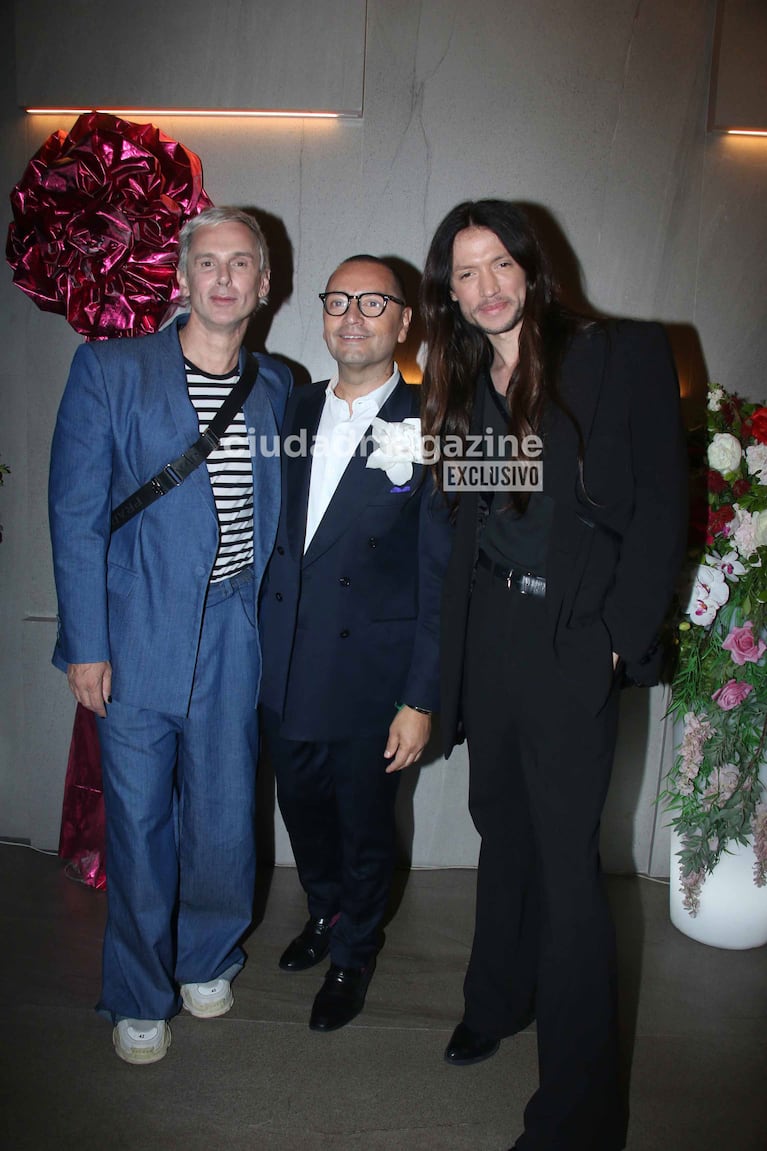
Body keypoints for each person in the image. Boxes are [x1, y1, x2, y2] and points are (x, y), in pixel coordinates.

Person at [419, 200, 687, 1150]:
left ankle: (576, 1118)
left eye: (498, 264)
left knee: (569, 872)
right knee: (502, 829)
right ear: (446, 292)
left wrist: (616, 637)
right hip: (491, 633)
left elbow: (663, 502)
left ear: (532, 267)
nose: (484, 286)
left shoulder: (620, 354)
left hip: (573, 639)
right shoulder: (454, 378)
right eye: (463, 273)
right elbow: (459, 531)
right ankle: (496, 998)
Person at [48, 206, 292, 1064]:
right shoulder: (110, 370)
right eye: (209, 262)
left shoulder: (276, 389)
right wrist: (86, 642)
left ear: (265, 286)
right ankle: (140, 991)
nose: (224, 277)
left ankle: (208, 953)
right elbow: (75, 514)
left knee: (226, 811)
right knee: (142, 820)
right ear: (183, 279)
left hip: (232, 625)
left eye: (242, 264)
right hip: (133, 624)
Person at [259, 255, 450, 1032]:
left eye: (373, 303)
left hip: (372, 674)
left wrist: (420, 696)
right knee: (300, 807)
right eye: (338, 300)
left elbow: (440, 579)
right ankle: (323, 913)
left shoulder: (433, 422)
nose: (351, 315)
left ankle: (354, 951)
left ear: (404, 323)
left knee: (365, 823)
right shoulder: (293, 406)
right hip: (285, 661)